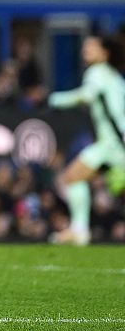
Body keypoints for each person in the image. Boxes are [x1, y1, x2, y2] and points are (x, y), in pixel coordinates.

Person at [47, 35, 125, 245]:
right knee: (74, 177)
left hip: (113, 144)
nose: (85, 50)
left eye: (91, 47)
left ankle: (80, 231)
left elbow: (86, 96)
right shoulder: (115, 77)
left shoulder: (97, 73)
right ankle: (79, 231)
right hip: (114, 144)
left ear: (104, 53)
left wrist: (56, 99)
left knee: (72, 177)